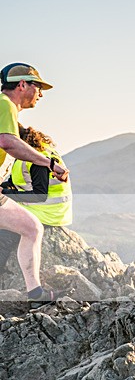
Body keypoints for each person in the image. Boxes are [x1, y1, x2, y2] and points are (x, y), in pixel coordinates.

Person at [0, 62, 69, 308]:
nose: (40, 94)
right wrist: (50, 164)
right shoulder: (5, 104)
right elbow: (8, 143)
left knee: (31, 228)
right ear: (21, 85)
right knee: (31, 228)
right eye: (37, 87)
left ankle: (35, 292)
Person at [0, 125, 72, 270]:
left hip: (47, 212)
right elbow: (19, 182)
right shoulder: (28, 154)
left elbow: (39, 195)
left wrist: (5, 194)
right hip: (43, 208)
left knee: (4, 238)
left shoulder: (37, 158)